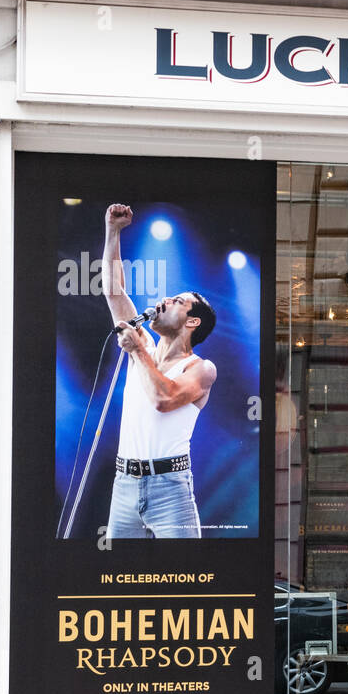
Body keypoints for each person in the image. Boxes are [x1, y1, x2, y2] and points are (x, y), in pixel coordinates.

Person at [101, 203, 217, 539]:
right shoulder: (146, 350)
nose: (165, 299)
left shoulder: (200, 368)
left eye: (179, 301)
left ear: (192, 321)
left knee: (182, 583)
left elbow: (164, 398)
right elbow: (113, 292)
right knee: (119, 586)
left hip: (170, 489)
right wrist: (112, 232)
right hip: (124, 483)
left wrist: (137, 349)